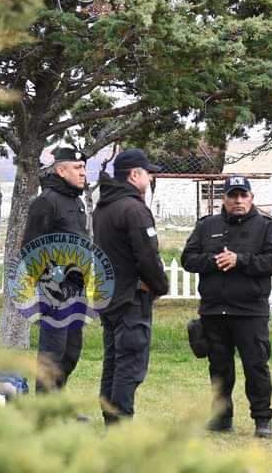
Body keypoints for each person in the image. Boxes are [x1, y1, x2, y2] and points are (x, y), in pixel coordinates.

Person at [181, 176, 272, 437]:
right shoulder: (206, 226)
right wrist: (214, 261)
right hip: (214, 309)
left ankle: (262, 419)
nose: (238, 200)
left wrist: (240, 260)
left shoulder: (266, 227)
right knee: (219, 368)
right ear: (223, 199)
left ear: (251, 197)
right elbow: (188, 259)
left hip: (250, 310)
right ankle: (222, 417)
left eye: (243, 195)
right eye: (232, 196)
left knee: (256, 366)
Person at [93, 148, 169, 425]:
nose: (150, 178)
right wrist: (161, 286)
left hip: (109, 295)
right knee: (130, 363)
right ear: (135, 174)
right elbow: (147, 256)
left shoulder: (103, 207)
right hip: (131, 297)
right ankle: (121, 421)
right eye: (147, 173)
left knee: (113, 361)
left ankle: (109, 416)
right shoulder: (134, 209)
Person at [20, 146, 87, 394]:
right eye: (77, 168)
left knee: (71, 353)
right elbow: (30, 250)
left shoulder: (76, 201)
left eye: (84, 168)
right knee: (53, 353)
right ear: (61, 170)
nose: (83, 173)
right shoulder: (46, 202)